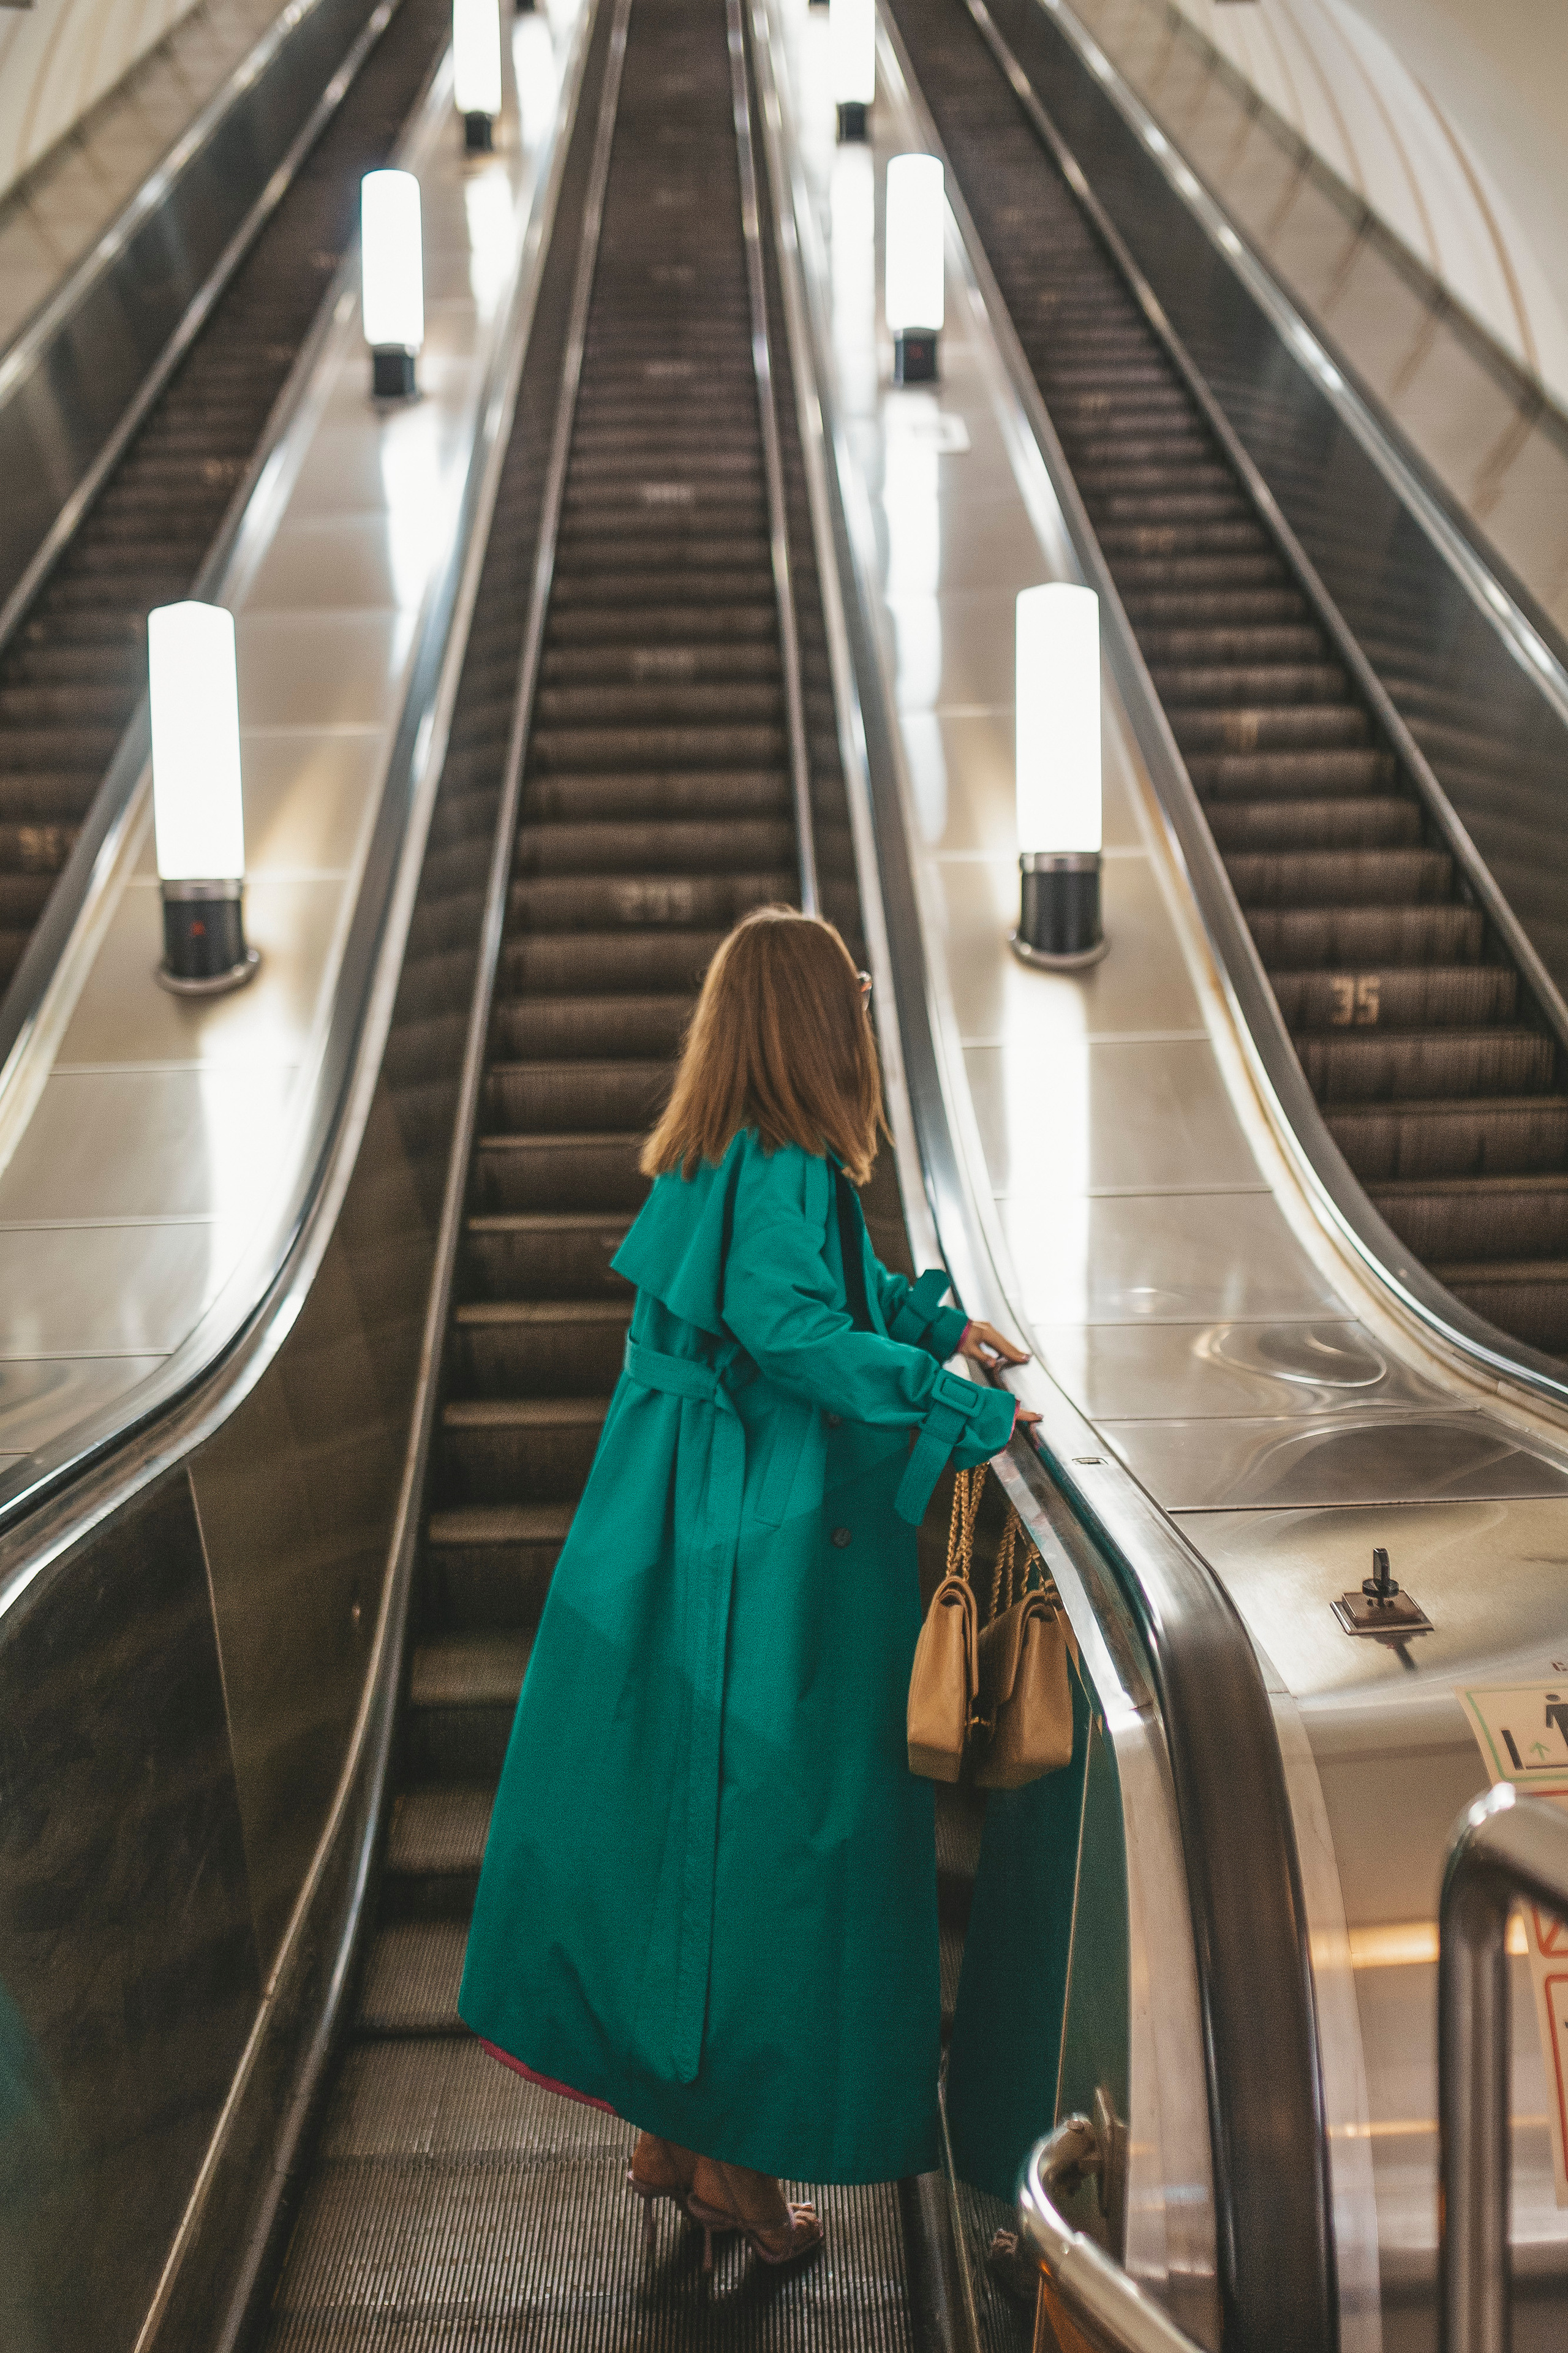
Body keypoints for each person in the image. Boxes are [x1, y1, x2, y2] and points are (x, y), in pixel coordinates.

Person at [459, 906, 1035, 2268]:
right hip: (754, 1545)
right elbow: (786, 1324)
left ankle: (671, 2134)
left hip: (671, 1518)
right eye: (849, 1003)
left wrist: (937, 1320)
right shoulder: (783, 1162)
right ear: (813, 1027)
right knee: (781, 1840)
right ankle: (743, 2183)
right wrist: (938, 1394)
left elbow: (824, 1284)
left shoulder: (724, 1153)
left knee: (671, 1824)